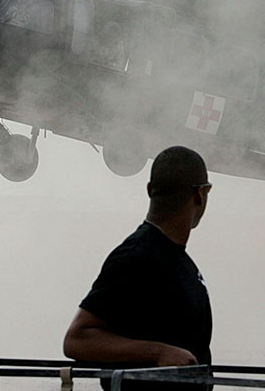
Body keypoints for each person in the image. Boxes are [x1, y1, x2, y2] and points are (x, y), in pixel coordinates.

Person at [63, 146, 213, 372]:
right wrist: (159, 352)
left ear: (150, 189)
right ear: (199, 195)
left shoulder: (179, 262)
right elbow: (77, 340)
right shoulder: (137, 257)